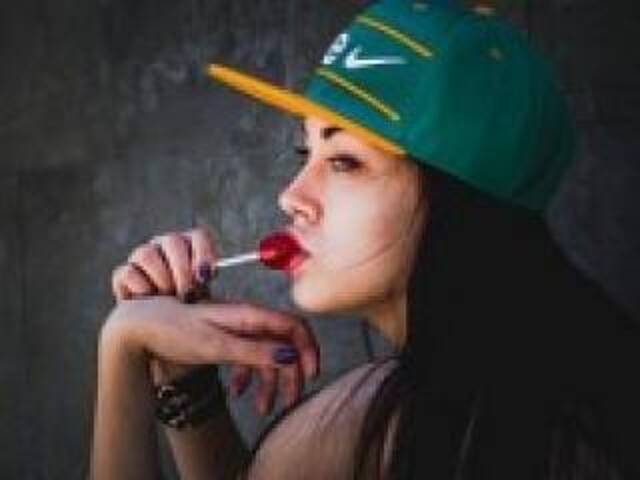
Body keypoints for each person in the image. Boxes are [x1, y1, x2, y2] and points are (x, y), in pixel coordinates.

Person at [91, 1, 640, 479]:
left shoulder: (369, 426)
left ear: (458, 202)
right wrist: (183, 380)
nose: (291, 196)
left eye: (344, 161)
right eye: (305, 153)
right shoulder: (564, 392)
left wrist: (122, 345)